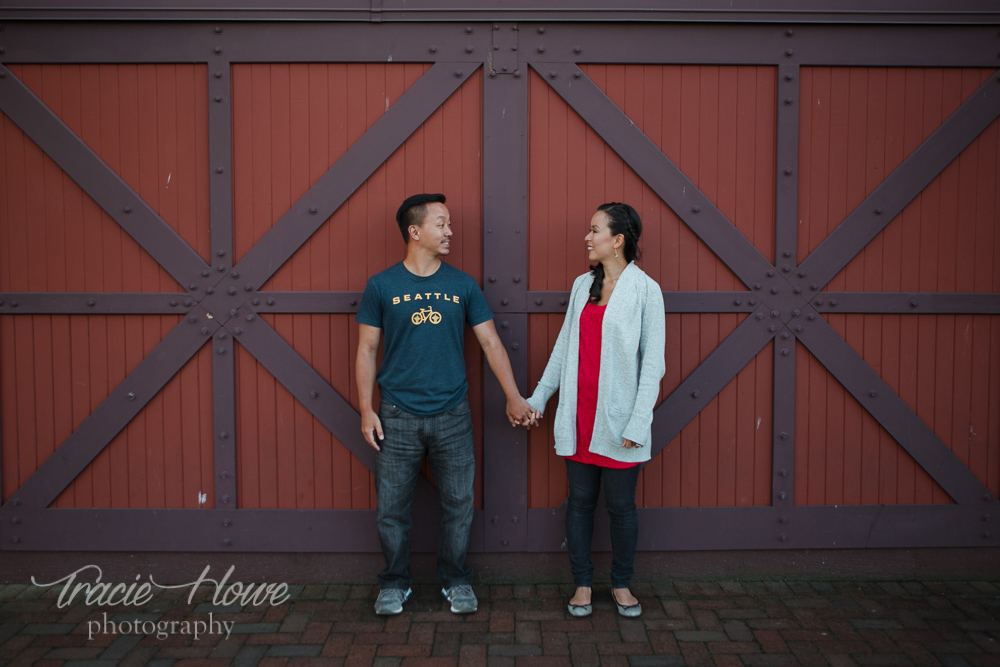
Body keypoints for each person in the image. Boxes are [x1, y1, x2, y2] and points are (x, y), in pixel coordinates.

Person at [356, 193, 536, 616]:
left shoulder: (461, 284)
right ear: (415, 231)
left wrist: (513, 396)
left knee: (458, 505)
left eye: (449, 222)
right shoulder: (382, 285)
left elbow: (490, 341)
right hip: (395, 416)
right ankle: (394, 584)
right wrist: (367, 409)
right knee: (391, 510)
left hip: (453, 414)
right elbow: (367, 349)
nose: (450, 230)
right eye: (441, 223)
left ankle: (455, 580)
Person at [526, 202, 665, 618]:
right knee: (580, 503)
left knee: (621, 507)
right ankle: (582, 584)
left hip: (620, 423)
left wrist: (639, 421)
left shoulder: (645, 290)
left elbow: (653, 362)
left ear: (618, 240)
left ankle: (621, 584)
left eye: (594, 230)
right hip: (578, 417)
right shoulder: (580, 286)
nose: (587, 238)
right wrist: (538, 399)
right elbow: (563, 350)